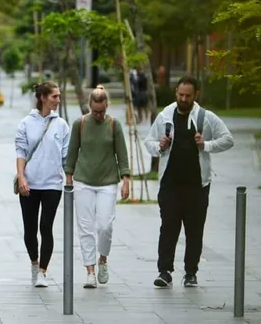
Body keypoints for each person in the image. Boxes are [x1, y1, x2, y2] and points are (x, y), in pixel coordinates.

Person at [144, 75, 234, 288]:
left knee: (194, 231)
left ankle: (190, 272)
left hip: (197, 186)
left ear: (196, 95)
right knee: (168, 228)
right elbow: (148, 141)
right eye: (180, 95)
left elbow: (228, 139)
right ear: (176, 93)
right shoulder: (165, 115)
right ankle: (164, 271)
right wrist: (160, 146)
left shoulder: (205, 117)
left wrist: (206, 145)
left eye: (188, 96)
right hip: (170, 186)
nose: (183, 99)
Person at [64, 86, 130, 289]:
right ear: (89, 107)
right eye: (95, 111)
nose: (99, 115)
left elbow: (122, 154)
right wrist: (68, 178)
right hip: (83, 180)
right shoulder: (80, 124)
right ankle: (90, 271)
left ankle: (103, 259)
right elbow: (72, 152)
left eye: (102, 111)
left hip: (108, 181)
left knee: (105, 226)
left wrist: (126, 179)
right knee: (85, 228)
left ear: (107, 106)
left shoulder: (113, 124)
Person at [14, 81, 70, 287]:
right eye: (54, 96)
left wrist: (70, 178)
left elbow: (66, 155)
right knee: (30, 229)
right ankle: (34, 263)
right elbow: (20, 151)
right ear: (43, 98)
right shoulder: (26, 123)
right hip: (29, 182)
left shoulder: (62, 125)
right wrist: (21, 176)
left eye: (59, 96)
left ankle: (43, 271)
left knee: (46, 227)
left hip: (52, 184)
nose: (58, 100)